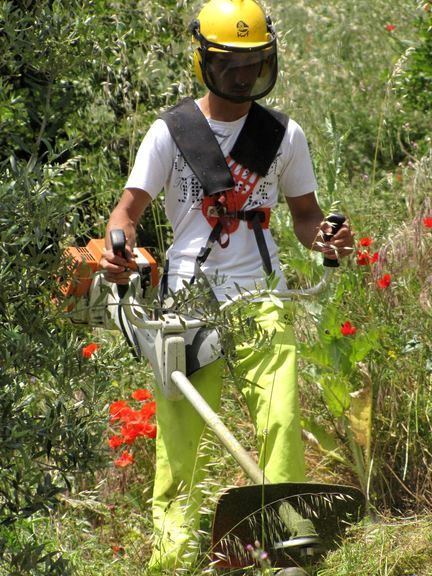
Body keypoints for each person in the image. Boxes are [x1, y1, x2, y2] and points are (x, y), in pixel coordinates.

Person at [100, 0, 354, 573]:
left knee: (282, 422)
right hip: (187, 302)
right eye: (233, 64)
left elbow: (306, 215)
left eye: (255, 62)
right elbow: (127, 211)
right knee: (181, 441)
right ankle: (175, 556)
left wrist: (325, 241)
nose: (244, 75)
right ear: (206, 62)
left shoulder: (284, 134)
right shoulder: (171, 132)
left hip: (264, 294)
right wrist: (121, 248)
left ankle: (289, 547)